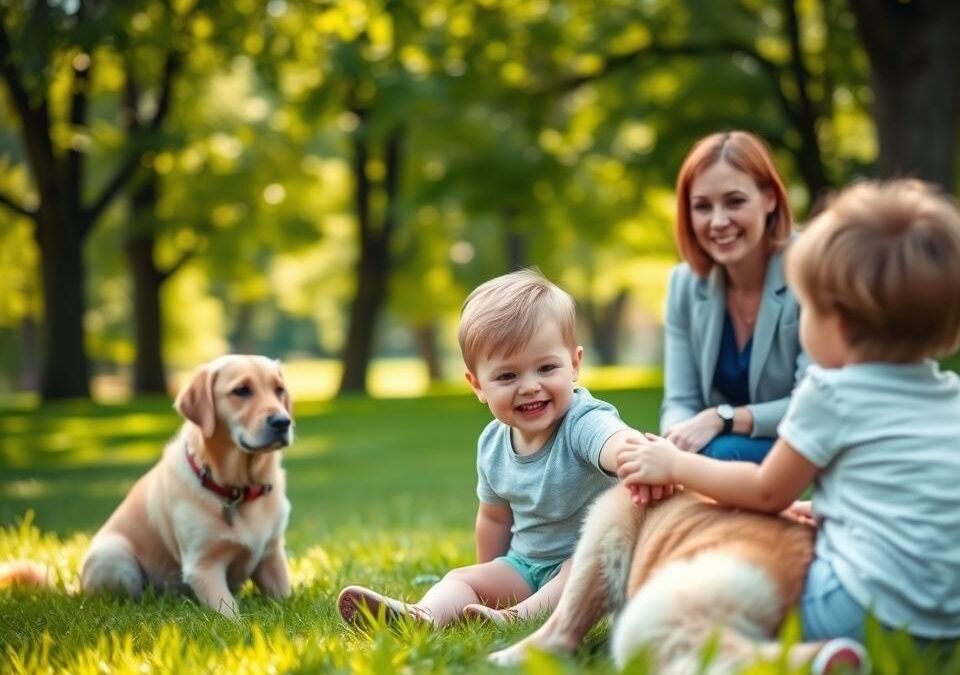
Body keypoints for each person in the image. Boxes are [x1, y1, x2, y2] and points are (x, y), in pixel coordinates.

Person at [619, 179, 960, 647]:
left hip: (859, 611)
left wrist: (675, 464)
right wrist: (824, 509)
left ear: (838, 323)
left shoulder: (832, 393)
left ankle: (798, 655)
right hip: (948, 621)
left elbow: (765, 493)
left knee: (762, 585)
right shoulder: (950, 396)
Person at [337, 269, 645, 627]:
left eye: (546, 368)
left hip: (588, 564)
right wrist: (489, 572)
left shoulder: (582, 420)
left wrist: (634, 453)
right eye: (507, 376)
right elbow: (495, 517)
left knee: (578, 569)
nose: (530, 386)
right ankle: (423, 616)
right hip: (525, 566)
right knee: (461, 580)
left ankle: (514, 618)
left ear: (574, 364)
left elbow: (612, 439)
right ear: (477, 385)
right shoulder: (493, 443)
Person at [660, 131, 808, 465]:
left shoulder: (812, 269)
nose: (718, 221)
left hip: (804, 443)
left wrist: (723, 418)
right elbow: (680, 400)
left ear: (769, 198)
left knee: (719, 454)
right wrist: (675, 441)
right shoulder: (683, 284)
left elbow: (814, 401)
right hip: (720, 449)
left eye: (734, 201)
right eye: (702, 207)